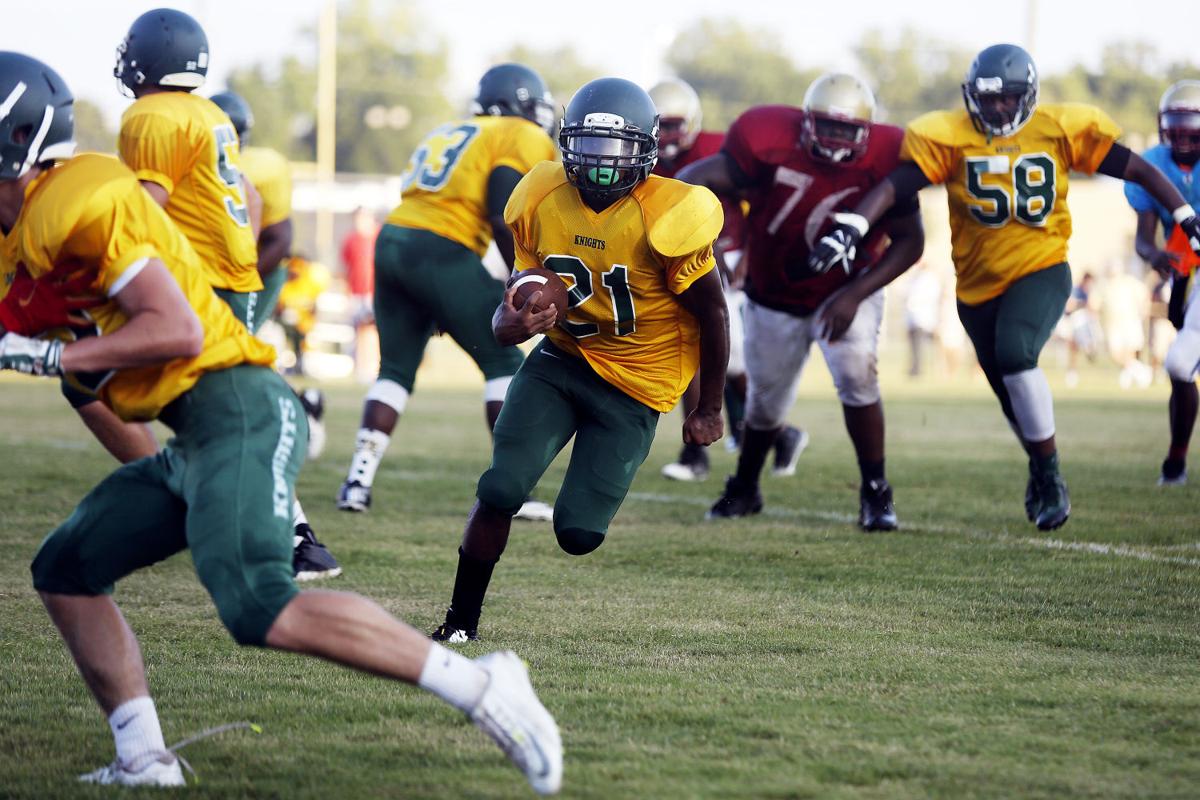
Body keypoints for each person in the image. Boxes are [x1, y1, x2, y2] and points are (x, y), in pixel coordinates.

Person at [0, 52, 560, 794]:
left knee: (259, 602)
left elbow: (176, 331)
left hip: (237, 405)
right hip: (194, 433)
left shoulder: (81, 199)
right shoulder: (24, 231)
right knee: (66, 570)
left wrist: (43, 353)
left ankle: (483, 685)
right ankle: (143, 757)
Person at [808, 44, 1200, 530]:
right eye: (986, 99)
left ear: (1028, 96)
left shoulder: (1059, 128)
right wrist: (852, 225)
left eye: (1006, 99)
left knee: (1017, 355)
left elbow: (1138, 168)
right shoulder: (949, 136)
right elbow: (896, 185)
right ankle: (1040, 467)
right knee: (1010, 395)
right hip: (975, 287)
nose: (995, 108)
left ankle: (1050, 477)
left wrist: (1183, 212)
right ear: (971, 96)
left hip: (1041, 267)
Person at [431, 77, 729, 642]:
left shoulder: (671, 213)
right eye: (588, 146)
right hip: (563, 361)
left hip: (638, 385)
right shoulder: (540, 195)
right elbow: (509, 310)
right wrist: (512, 323)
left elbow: (714, 315)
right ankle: (458, 626)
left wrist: (709, 407)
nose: (600, 164)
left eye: (615, 150)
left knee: (578, 533)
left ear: (646, 151)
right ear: (565, 144)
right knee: (499, 489)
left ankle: (576, 516)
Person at [109, 9, 338, 580]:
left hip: (198, 282)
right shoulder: (207, 113)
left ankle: (290, 509)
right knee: (200, 408)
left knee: (127, 389)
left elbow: (144, 209)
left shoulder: (151, 115)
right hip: (233, 277)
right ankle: (293, 512)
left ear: (147, 58)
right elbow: (250, 204)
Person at [676, 73, 922, 531]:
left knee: (857, 377)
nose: (834, 139)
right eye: (825, 126)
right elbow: (697, 181)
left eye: (846, 130)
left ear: (867, 132)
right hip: (774, 291)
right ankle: (745, 487)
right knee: (765, 404)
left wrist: (853, 294)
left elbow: (911, 242)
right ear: (805, 122)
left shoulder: (891, 155)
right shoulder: (765, 136)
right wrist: (695, 237)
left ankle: (876, 492)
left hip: (847, 288)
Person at [337, 64, 558, 522]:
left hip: (394, 238)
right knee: (504, 360)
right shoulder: (517, 131)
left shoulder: (449, 129)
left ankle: (357, 482)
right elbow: (501, 206)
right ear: (519, 105)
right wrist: (520, 277)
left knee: (395, 369)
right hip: (439, 246)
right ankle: (513, 486)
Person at [648, 77, 806, 482]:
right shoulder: (646, 157)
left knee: (718, 357)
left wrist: (749, 255)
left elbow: (763, 203)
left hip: (726, 259)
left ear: (694, 123)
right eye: (659, 124)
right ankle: (767, 437)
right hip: (679, 259)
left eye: (675, 124)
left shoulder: (719, 149)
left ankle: (720, 447)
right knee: (709, 357)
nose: (666, 135)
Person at [209, 89, 330, 461]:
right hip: (219, 273)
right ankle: (299, 403)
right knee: (225, 355)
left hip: (257, 272)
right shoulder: (199, 164)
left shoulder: (261, 167)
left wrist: (236, 280)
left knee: (235, 353)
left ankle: (294, 415)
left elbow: (279, 240)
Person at [1125, 80, 1200, 485]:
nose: (1183, 139)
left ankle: (1175, 464)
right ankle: (1176, 459)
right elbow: (1143, 237)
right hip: (1185, 277)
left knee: (1179, 361)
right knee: (1179, 367)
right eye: (1177, 128)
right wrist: (1153, 255)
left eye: (1193, 130)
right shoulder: (1152, 163)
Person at [340, 205, 379, 376]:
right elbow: (345, 269)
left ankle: (375, 366)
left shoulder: (379, 237)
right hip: (357, 293)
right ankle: (361, 367)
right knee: (359, 331)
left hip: (375, 292)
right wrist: (347, 293)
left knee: (373, 330)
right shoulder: (351, 240)